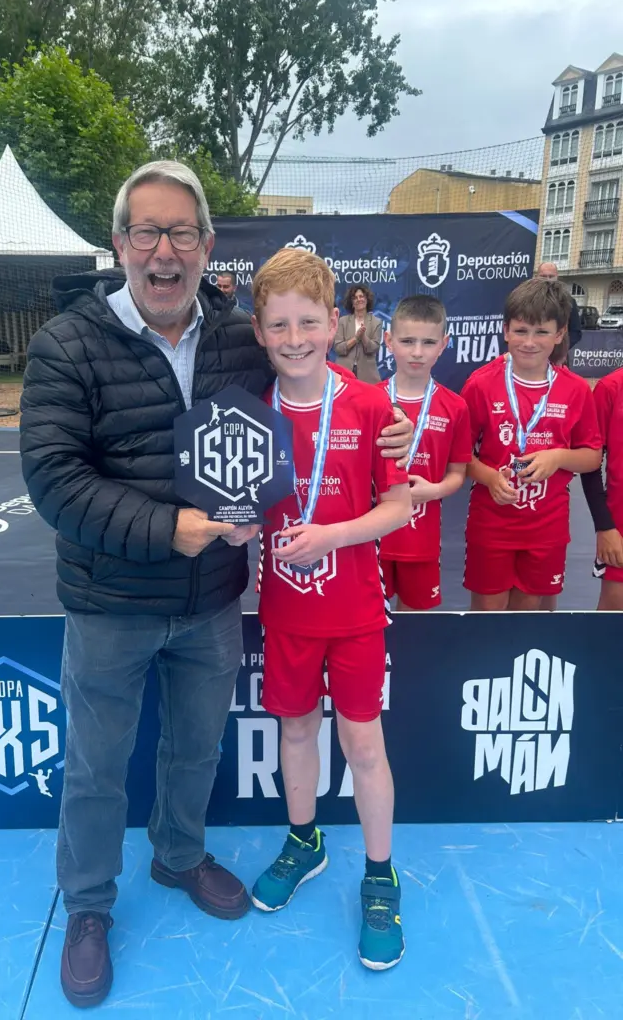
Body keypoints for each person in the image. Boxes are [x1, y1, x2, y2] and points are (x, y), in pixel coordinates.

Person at [19, 160, 414, 1008]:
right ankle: (88, 907)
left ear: (205, 246)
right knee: (96, 765)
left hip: (211, 601)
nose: (164, 251)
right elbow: (54, 481)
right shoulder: (66, 345)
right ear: (120, 243)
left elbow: (319, 392)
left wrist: (392, 429)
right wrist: (167, 529)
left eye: (181, 233)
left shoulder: (241, 338)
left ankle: (178, 855)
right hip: (111, 600)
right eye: (147, 233)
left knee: (196, 746)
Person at [248, 247, 412, 972]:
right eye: (279, 325)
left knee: (363, 744)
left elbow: (399, 506)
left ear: (334, 322)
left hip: (354, 613)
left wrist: (331, 536)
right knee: (294, 731)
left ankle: (380, 874)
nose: (295, 339)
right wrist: (236, 527)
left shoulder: (371, 406)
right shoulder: (249, 414)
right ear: (259, 331)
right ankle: (304, 840)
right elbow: (239, 507)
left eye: (308, 322)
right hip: (285, 612)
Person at [461, 278, 602, 612]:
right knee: (487, 614)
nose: (529, 342)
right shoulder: (481, 385)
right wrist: (489, 477)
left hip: (546, 527)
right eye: (521, 331)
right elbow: (460, 456)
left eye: (541, 332)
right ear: (506, 330)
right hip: (491, 523)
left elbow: (592, 457)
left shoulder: (576, 390)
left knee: (529, 614)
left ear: (560, 333)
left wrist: (558, 457)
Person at [378, 296, 472, 610]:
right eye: (407, 341)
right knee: (369, 622)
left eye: (428, 342)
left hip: (421, 541)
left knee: (416, 624)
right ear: (389, 341)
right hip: (371, 538)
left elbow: (458, 473)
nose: (417, 352)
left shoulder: (455, 407)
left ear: (443, 344)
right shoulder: (368, 401)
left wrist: (433, 491)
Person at [581, 367, 623, 610]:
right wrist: (605, 527)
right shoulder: (611, 388)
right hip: (620, 527)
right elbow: (590, 466)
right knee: (614, 617)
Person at [333, 284, 383, 383]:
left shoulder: (376, 322)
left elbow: (373, 349)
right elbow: (338, 348)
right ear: (351, 303)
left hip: (367, 374)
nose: (358, 299)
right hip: (344, 372)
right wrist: (355, 339)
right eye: (355, 298)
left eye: (361, 296)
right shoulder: (343, 321)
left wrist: (363, 337)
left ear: (367, 300)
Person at [536, 262, 582, 365]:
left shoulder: (569, 301)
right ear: (536, 277)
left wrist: (559, 349)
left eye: (551, 276)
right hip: (534, 354)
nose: (547, 280)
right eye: (543, 276)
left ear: (557, 277)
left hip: (558, 358)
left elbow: (576, 332)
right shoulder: (528, 300)